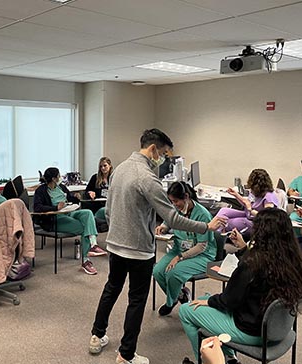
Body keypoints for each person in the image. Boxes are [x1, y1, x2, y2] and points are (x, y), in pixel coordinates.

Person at [88, 129, 226, 364]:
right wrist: (207, 227)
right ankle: (126, 355)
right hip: (139, 250)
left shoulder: (119, 169)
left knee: (111, 289)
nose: (162, 159)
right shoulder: (147, 178)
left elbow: (109, 211)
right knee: (136, 300)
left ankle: (96, 335)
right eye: (162, 154)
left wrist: (120, 232)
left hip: (115, 246)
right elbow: (172, 218)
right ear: (153, 149)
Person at [179, 208, 302, 364]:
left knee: (186, 310)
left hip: (250, 330)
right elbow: (262, 270)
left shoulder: (252, 263)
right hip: (277, 328)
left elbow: (229, 300)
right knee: (203, 299)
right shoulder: (291, 259)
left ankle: (207, 360)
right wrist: (244, 249)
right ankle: (230, 358)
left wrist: (209, 301)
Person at [153, 181, 217, 316]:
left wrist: (179, 257)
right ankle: (179, 295)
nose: (174, 205)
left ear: (186, 197)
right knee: (158, 271)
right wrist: (163, 227)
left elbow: (201, 246)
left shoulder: (202, 214)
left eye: (176, 201)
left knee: (173, 273)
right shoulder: (176, 210)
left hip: (202, 255)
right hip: (179, 249)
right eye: (171, 201)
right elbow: (169, 221)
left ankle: (171, 302)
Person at [33, 167, 103, 274]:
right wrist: (55, 208)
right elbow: (37, 207)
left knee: (88, 213)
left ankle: (93, 245)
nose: (60, 177)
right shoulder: (41, 190)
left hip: (69, 212)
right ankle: (85, 261)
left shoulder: (60, 187)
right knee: (85, 228)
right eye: (58, 176)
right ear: (53, 178)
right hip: (55, 218)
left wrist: (76, 196)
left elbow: (69, 198)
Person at [214, 169, 278, 234]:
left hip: (258, 223)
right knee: (224, 211)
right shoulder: (256, 191)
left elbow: (267, 218)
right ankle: (212, 230)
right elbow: (247, 203)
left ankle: (217, 236)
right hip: (248, 215)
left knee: (227, 223)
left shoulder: (269, 197)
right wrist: (236, 195)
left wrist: (250, 210)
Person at [85, 156, 112, 222]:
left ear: (110, 166)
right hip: (99, 207)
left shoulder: (113, 177)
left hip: (110, 204)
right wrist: (90, 193)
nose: (103, 168)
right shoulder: (95, 178)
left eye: (105, 165)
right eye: (101, 166)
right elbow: (87, 192)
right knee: (107, 210)